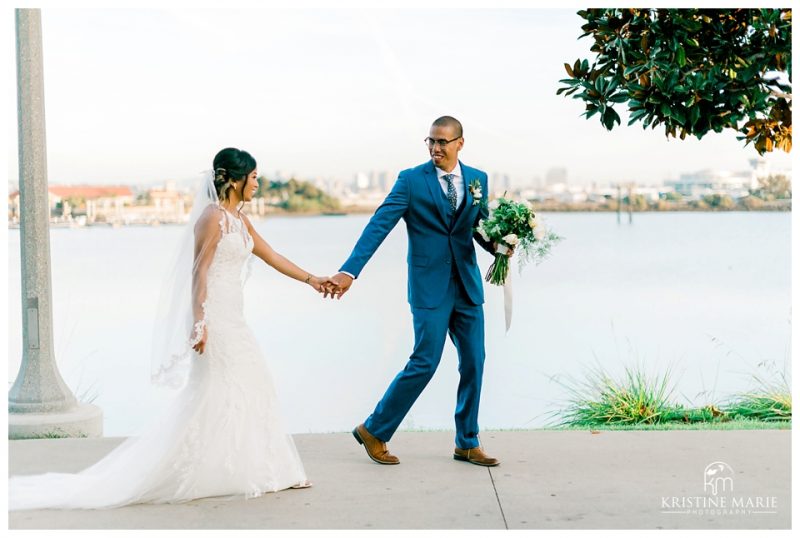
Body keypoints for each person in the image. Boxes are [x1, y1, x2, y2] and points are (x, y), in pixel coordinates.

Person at [8, 147, 329, 510]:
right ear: (236, 179)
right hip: (216, 320)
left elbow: (272, 256)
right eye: (253, 176)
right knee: (215, 391)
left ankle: (263, 469)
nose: (258, 182)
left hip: (235, 318)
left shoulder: (238, 219)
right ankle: (196, 469)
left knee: (250, 387)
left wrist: (312, 279)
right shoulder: (212, 219)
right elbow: (198, 272)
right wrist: (199, 322)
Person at [327, 116, 509, 467]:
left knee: (475, 361)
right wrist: (350, 271)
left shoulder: (478, 180)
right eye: (431, 142)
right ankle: (374, 430)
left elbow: (480, 228)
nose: (436, 148)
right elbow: (379, 224)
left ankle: (467, 442)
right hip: (429, 288)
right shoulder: (411, 181)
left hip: (467, 286)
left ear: (460, 143)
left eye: (443, 142)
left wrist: (501, 246)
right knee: (425, 361)